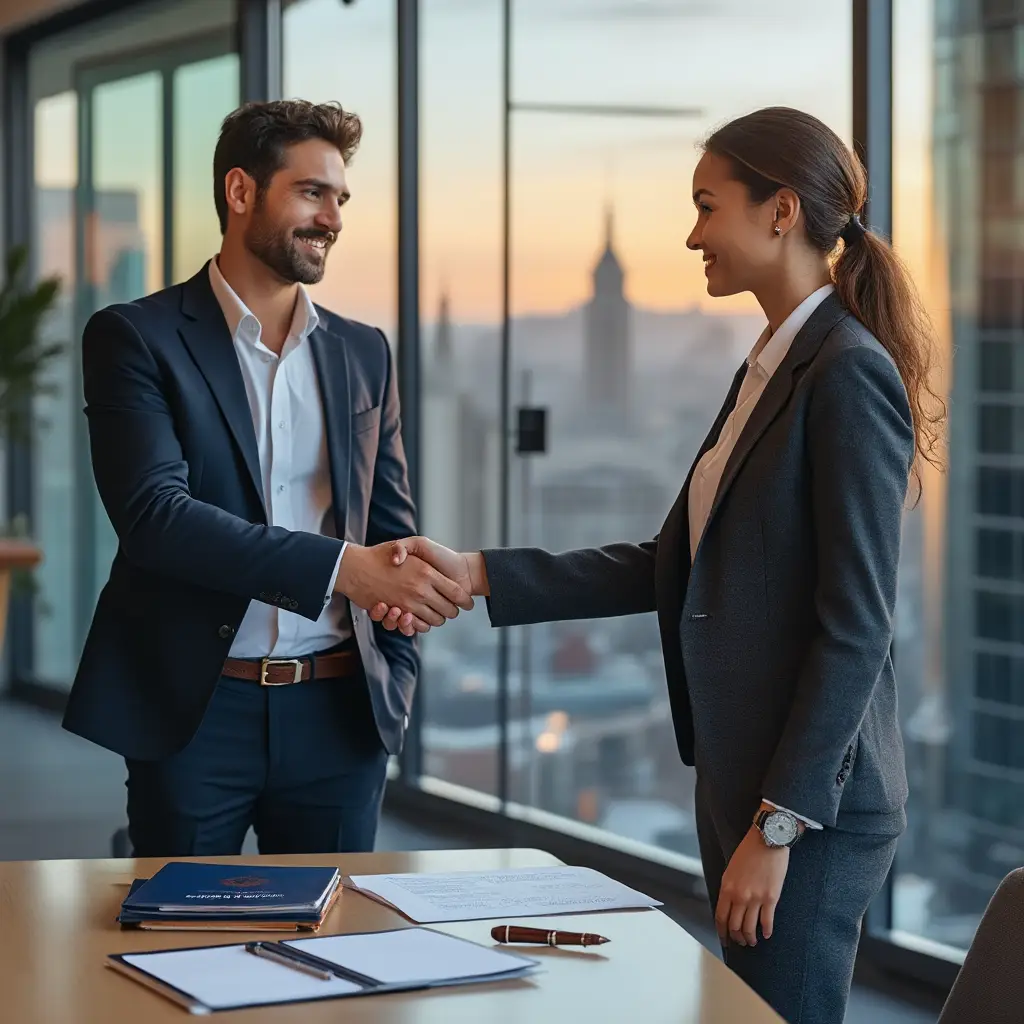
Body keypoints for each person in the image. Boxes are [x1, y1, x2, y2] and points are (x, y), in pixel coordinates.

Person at [369, 106, 945, 1022]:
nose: (691, 234)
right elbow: (678, 564)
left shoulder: (843, 371)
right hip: (744, 780)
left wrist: (779, 823)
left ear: (780, 210)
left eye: (707, 207)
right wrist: (477, 572)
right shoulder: (769, 361)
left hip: (807, 810)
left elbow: (858, 625)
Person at [62, 100, 473, 857]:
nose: (334, 218)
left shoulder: (363, 352)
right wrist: (346, 571)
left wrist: (397, 672)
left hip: (341, 712)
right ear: (241, 192)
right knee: (178, 947)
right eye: (312, 192)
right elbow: (156, 517)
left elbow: (391, 528)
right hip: (196, 709)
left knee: (334, 948)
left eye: (341, 198)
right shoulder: (136, 337)